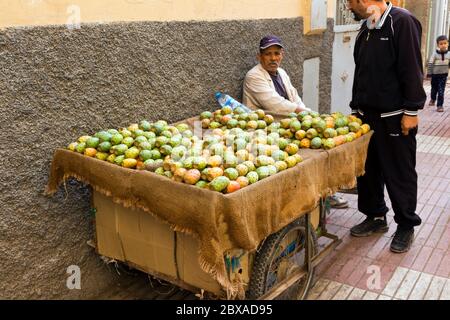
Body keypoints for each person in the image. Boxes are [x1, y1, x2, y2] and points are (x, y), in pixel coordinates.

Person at [346, 0, 426, 253]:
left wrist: (411, 111)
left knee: (399, 172)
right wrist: (355, 108)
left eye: (349, 2)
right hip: (366, 117)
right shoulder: (365, 27)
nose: (348, 7)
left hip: (395, 116)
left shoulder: (401, 22)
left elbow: (412, 68)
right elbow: (361, 72)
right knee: (368, 171)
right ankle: (375, 216)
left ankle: (405, 225)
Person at [243, 35, 349, 209]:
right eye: (268, 54)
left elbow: (295, 98)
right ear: (259, 57)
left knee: (322, 149)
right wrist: (306, 113)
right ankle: (313, 196)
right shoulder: (254, 76)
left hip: (289, 126)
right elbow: (275, 104)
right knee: (306, 157)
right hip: (266, 130)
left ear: (282, 55)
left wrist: (309, 116)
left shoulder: (281, 73)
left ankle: (325, 193)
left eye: (276, 53)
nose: (273, 58)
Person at [427, 35, 450, 113]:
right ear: (438, 45)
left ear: (448, 44)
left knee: (441, 91)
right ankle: (433, 99)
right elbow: (430, 63)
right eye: (441, 44)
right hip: (435, 75)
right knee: (434, 89)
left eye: (445, 43)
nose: (443, 45)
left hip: (443, 76)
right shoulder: (435, 54)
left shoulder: (449, 54)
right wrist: (429, 74)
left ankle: (440, 105)